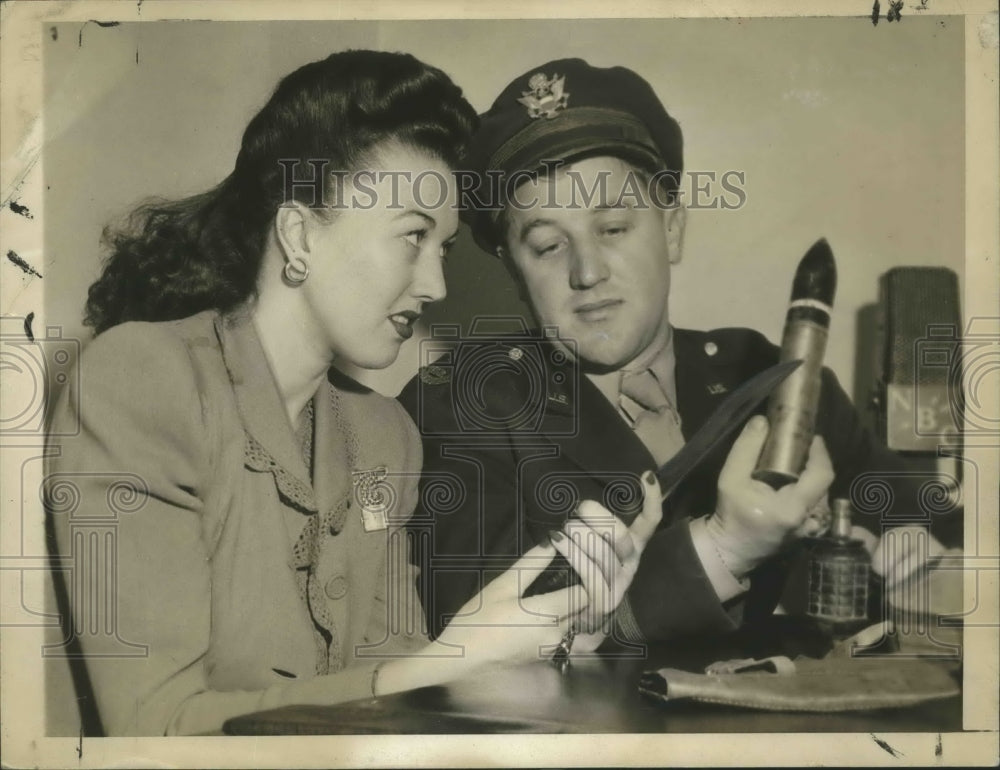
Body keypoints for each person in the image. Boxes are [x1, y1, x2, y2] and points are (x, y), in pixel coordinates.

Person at [44, 51, 662, 737]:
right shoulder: (141, 379)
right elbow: (155, 730)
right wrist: (453, 658)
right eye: (412, 238)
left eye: (445, 249)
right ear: (299, 233)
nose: (436, 286)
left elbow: (391, 692)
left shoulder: (383, 437)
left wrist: (560, 632)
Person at [399, 58, 960, 644]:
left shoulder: (770, 377)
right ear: (516, 273)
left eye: (613, 228)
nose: (586, 272)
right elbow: (473, 641)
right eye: (546, 246)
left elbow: (936, 528)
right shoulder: (463, 402)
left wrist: (923, 569)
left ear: (672, 229)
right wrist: (724, 548)